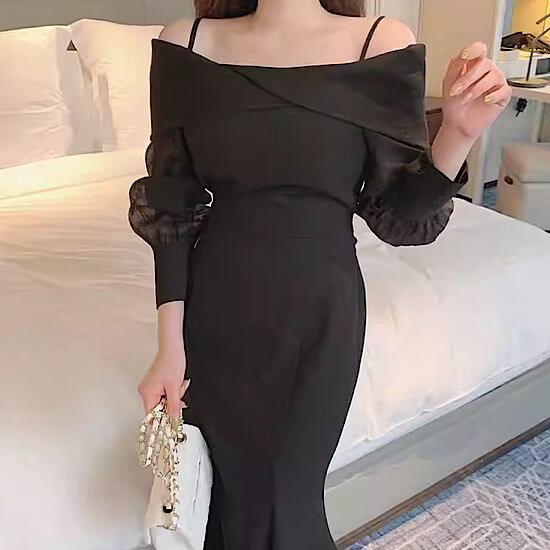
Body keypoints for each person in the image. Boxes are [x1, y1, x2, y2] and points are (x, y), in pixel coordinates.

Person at [128, 1, 511, 548]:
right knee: (232, 501)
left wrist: (458, 132)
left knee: (289, 499)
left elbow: (401, 218)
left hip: (320, 316)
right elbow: (172, 207)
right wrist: (169, 348)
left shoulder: (379, 43)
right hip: (217, 314)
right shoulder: (186, 43)